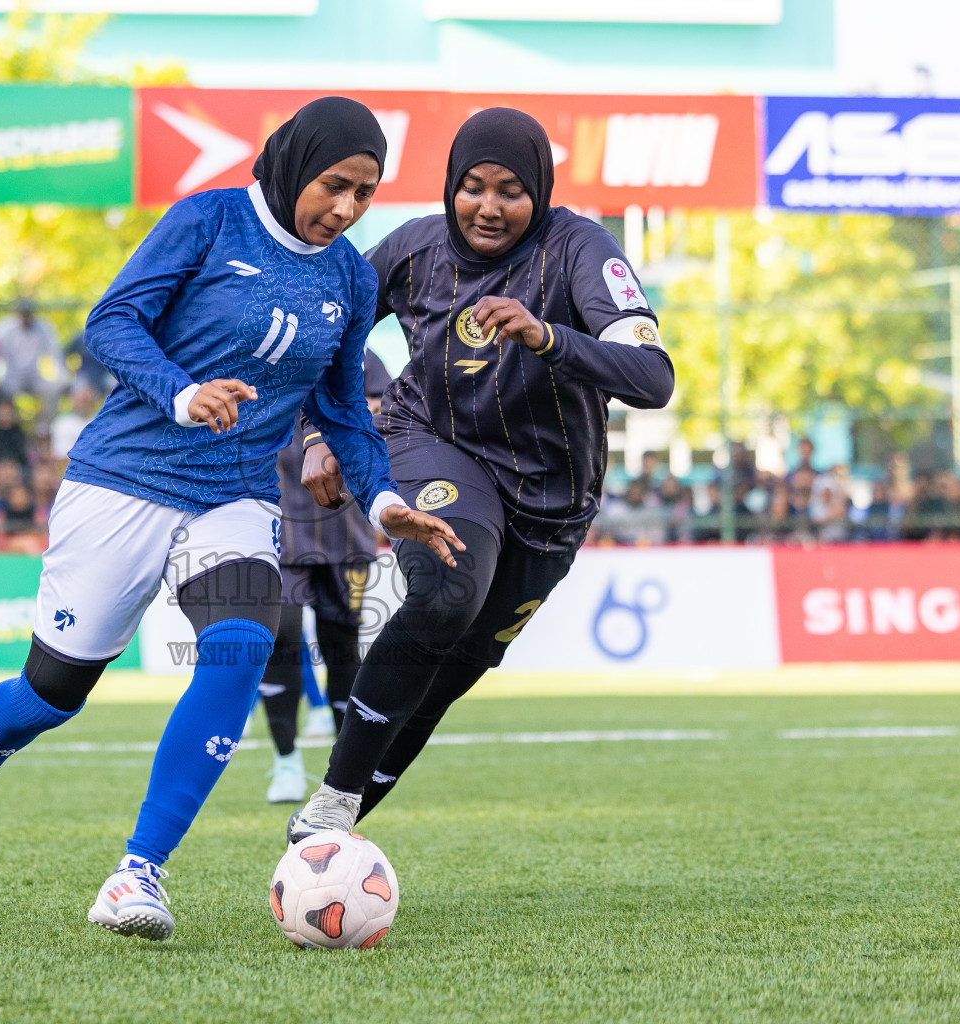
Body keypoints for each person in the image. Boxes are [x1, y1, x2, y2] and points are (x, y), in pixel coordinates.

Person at [0, 97, 463, 940]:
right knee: (53, 693)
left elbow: (344, 407)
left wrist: (386, 502)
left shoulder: (349, 276)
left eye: (365, 194)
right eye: (334, 185)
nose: (346, 209)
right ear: (292, 165)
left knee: (239, 653)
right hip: (122, 480)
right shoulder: (208, 220)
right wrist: (184, 391)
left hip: (236, 496)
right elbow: (110, 322)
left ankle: (138, 875)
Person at [287, 108, 673, 841]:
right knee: (446, 591)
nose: (488, 206)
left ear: (541, 193)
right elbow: (323, 335)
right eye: (471, 187)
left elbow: (653, 378)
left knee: (449, 674)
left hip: (553, 503)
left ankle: (322, 839)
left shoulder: (582, 252)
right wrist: (318, 434)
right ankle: (333, 805)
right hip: (434, 441)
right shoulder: (413, 249)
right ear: (448, 187)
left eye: (510, 190)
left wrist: (549, 336)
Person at [258, 347, 391, 804]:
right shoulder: (259, 349)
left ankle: (341, 774)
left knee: (341, 649)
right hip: (276, 525)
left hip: (344, 526)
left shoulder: (360, 357)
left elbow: (383, 412)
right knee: (281, 638)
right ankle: (286, 762)